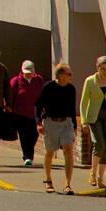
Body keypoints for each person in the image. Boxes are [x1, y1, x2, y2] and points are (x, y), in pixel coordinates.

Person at [36, 63, 79, 195]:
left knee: (68, 150)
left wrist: (75, 126)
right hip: (51, 122)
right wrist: (38, 123)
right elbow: (38, 105)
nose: (71, 76)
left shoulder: (71, 89)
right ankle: (48, 180)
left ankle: (67, 184)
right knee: (50, 152)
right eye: (69, 74)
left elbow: (72, 109)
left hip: (66, 122)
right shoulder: (49, 87)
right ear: (60, 75)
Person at [80, 55, 106, 188]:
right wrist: (84, 121)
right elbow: (83, 102)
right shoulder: (90, 81)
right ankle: (92, 174)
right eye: (102, 68)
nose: (105, 71)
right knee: (99, 144)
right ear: (97, 68)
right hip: (94, 117)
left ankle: (100, 178)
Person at [9, 60, 46, 165]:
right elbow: (9, 96)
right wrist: (9, 108)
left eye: (30, 72)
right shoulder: (15, 81)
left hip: (35, 114)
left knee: (34, 135)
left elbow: (43, 95)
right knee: (24, 136)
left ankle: (28, 153)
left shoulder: (39, 80)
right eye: (26, 72)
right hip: (20, 114)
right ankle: (28, 157)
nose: (28, 74)